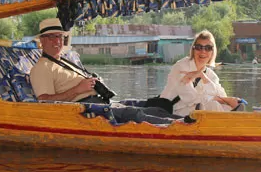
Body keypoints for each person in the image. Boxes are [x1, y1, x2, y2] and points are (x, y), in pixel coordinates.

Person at [29, 18, 174, 125]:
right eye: (51, 37)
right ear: (42, 40)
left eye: (60, 36)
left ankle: (183, 120)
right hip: (86, 110)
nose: (57, 41)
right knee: (133, 113)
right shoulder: (41, 68)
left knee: (145, 106)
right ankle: (180, 127)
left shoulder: (63, 60)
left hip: (99, 102)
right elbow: (44, 101)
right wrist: (77, 89)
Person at [159, 30, 243, 116]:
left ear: (212, 52)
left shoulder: (210, 75)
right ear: (193, 49)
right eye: (199, 47)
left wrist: (203, 77)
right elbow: (190, 98)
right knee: (213, 105)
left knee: (228, 107)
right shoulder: (181, 67)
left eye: (208, 48)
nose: (203, 51)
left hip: (194, 111)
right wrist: (225, 100)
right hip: (174, 110)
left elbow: (221, 95)